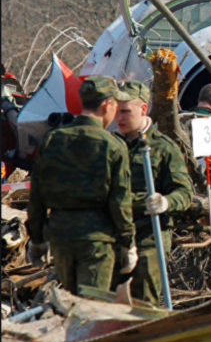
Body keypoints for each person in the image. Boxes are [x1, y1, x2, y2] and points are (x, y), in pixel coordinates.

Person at [25, 76, 136, 295]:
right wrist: (128, 242)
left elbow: (36, 195)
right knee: (91, 308)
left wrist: (36, 239)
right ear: (107, 105)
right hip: (97, 239)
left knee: (70, 301)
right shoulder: (112, 145)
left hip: (60, 235)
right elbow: (120, 200)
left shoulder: (53, 139)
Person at [113, 80, 193, 304]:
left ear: (143, 109)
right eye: (116, 112)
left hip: (149, 235)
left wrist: (165, 202)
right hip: (116, 234)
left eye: (126, 112)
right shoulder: (112, 146)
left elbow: (184, 192)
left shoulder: (163, 147)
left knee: (144, 299)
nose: (119, 118)